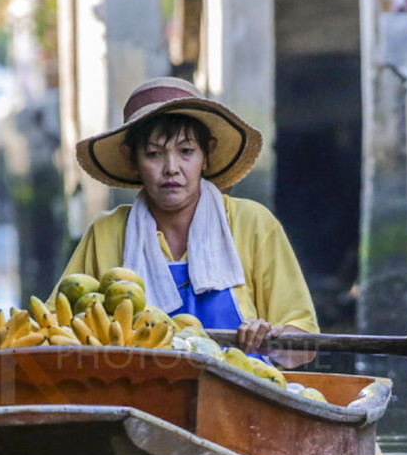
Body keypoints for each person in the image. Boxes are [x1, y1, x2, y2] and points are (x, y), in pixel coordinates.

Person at [59, 76, 317, 365]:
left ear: (207, 155)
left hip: (243, 394)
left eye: (186, 152)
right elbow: (56, 329)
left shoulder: (253, 224)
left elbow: (304, 345)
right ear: (131, 159)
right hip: (135, 391)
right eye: (154, 154)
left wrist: (270, 339)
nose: (171, 169)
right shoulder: (106, 233)